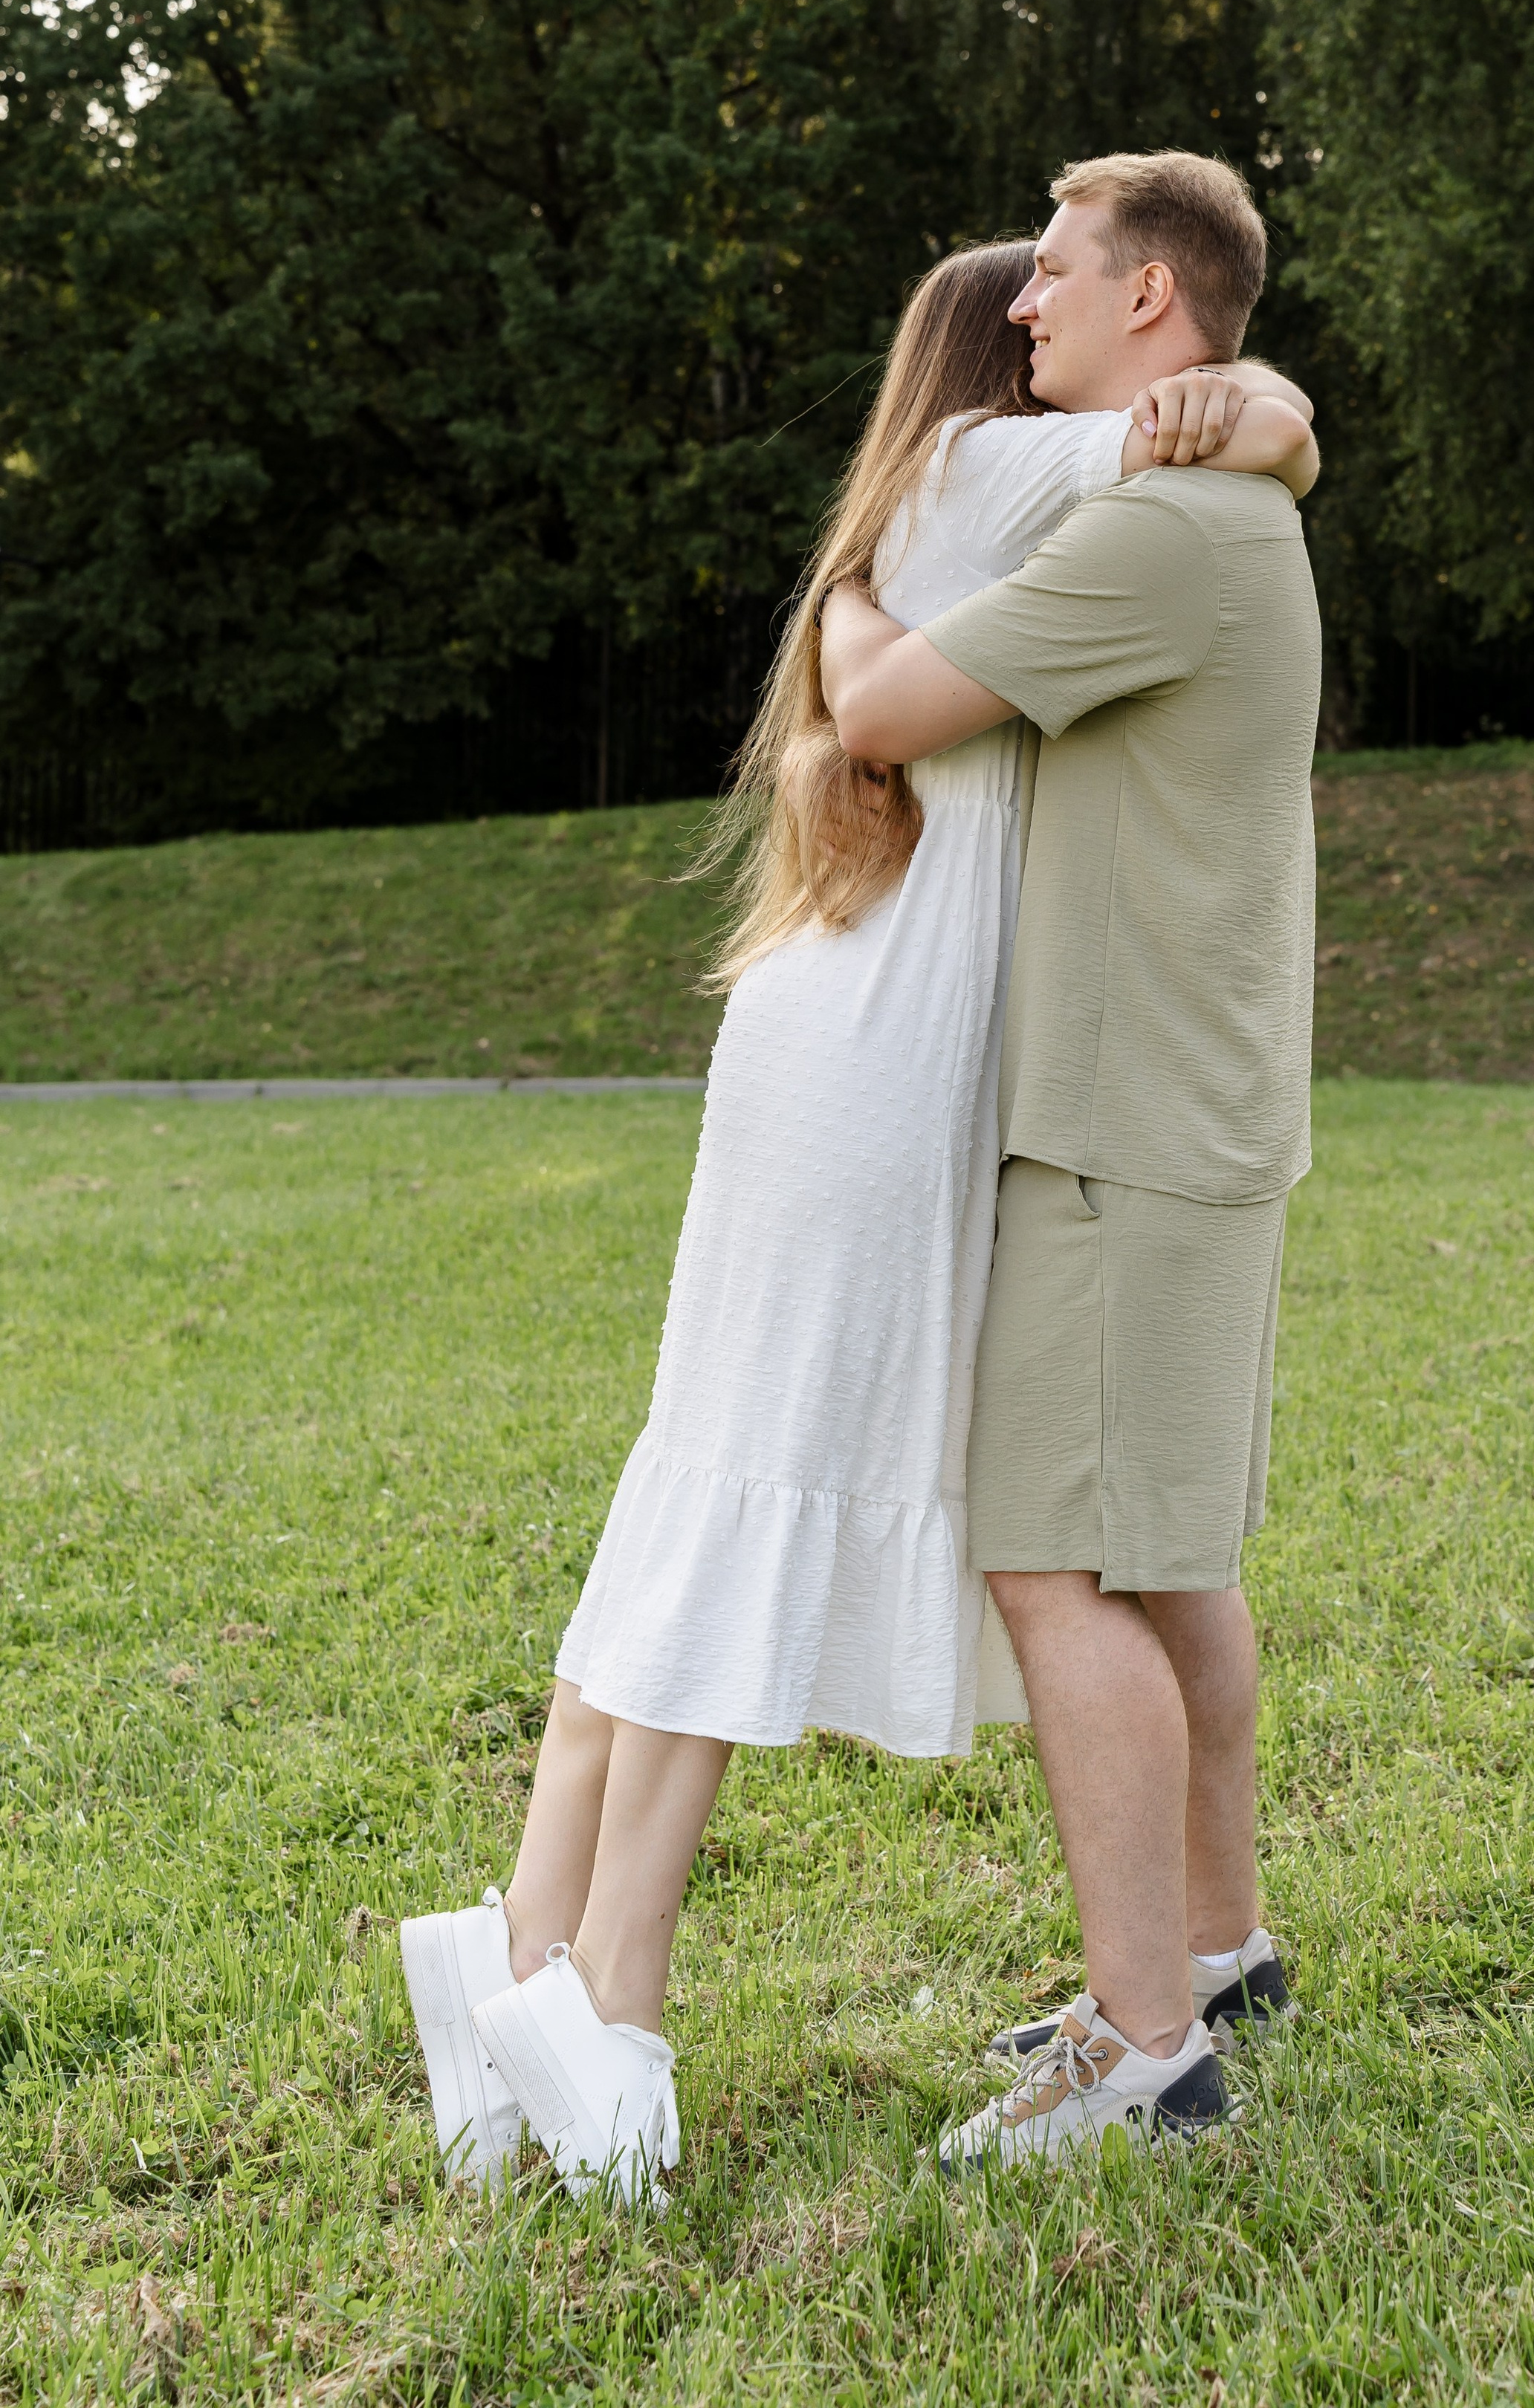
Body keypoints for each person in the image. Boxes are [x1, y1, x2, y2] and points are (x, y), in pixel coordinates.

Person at [398, 222, 1318, 2207]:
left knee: (709, 1474)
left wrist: (1257, 410)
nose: (1067, 308)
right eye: (1046, 292)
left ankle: (529, 1954)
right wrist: (1272, 408)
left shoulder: (917, 505)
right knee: (754, 1485)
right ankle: (604, 2019)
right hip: (894, 1070)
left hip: (845, 1039)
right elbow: (1248, 435)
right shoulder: (1017, 476)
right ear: (1008, 349)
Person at [822, 149, 1323, 2172]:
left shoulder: (1169, 532)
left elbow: (878, 712)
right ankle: (1213, 1953)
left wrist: (848, 568)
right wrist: (1279, 419)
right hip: (1185, 1116)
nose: (1019, 308)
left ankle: (1139, 2056)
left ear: (1154, 304)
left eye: (1053, 274)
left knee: (1058, 1563)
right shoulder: (1214, 503)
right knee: (1173, 1553)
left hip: (1122, 1127)